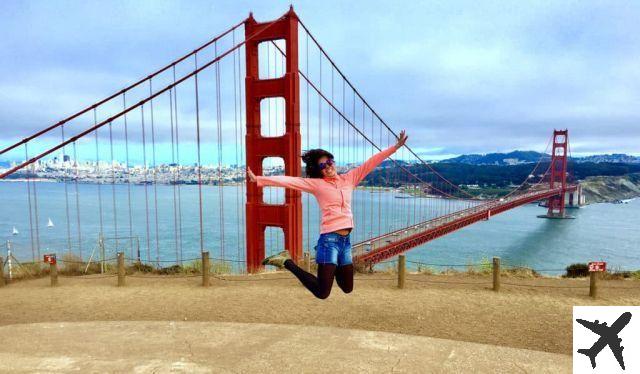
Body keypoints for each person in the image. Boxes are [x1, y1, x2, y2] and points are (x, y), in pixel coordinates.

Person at [246, 130, 408, 299]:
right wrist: (259, 179)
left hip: (345, 242)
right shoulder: (317, 185)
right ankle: (286, 261)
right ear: (319, 170)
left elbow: (371, 163)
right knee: (323, 292)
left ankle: (327, 266)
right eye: (323, 165)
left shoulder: (349, 178)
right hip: (329, 241)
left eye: (329, 162)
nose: (328, 166)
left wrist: (395, 147)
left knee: (347, 287)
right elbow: (291, 181)